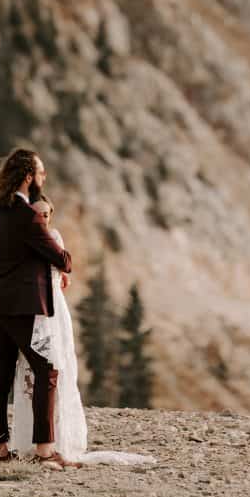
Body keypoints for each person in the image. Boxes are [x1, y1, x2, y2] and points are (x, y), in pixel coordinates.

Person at [11, 197, 155, 469]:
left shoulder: (52, 237)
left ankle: (55, 441)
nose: (41, 219)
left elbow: (61, 265)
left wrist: (60, 274)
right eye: (37, 214)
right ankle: (31, 442)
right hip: (31, 311)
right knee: (28, 377)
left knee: (55, 370)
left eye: (46, 214)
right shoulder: (25, 240)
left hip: (52, 312)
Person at [0, 148, 72, 465]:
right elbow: (63, 259)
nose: (44, 178)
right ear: (29, 176)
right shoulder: (28, 216)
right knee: (46, 369)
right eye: (41, 173)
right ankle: (45, 450)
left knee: (1, 374)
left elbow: (14, 254)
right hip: (18, 304)